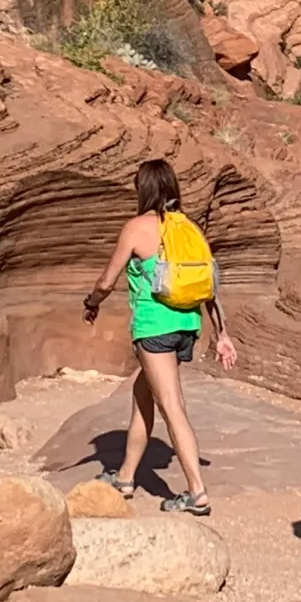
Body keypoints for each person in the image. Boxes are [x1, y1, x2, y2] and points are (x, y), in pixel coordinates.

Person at [83, 158, 237, 514]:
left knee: (172, 406)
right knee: (143, 396)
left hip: (155, 329)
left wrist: (91, 303)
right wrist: (222, 333)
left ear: (144, 189)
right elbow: (208, 285)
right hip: (187, 327)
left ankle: (196, 493)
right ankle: (125, 477)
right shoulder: (190, 228)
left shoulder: (138, 228)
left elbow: (107, 281)